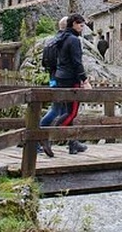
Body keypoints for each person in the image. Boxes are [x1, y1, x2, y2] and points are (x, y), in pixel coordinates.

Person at [40, 13, 92, 155]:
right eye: (81, 25)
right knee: (71, 112)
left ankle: (73, 143)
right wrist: (84, 80)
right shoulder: (73, 40)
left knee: (64, 111)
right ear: (74, 24)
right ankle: (48, 138)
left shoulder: (60, 38)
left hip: (59, 78)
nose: (82, 28)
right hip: (70, 79)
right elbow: (77, 62)